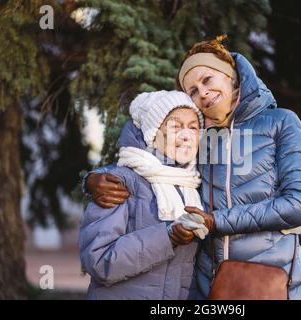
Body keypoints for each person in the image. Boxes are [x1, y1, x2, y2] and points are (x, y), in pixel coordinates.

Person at [83, 36, 301, 299]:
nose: (202, 93)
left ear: (231, 76)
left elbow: (299, 204)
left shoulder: (281, 122)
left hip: (269, 279)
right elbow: (147, 148)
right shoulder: (199, 136)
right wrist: (94, 179)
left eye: (207, 80)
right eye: (192, 91)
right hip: (209, 286)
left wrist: (216, 221)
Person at [79, 90, 207, 299]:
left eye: (193, 127)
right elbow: (99, 260)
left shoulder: (193, 184)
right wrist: (167, 237)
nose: (186, 135)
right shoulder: (118, 182)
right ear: (152, 133)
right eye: (175, 126)